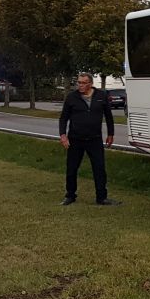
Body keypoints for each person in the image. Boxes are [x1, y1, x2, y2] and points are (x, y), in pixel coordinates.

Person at [59, 73, 117, 206]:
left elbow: (108, 116)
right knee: (72, 168)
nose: (80, 85)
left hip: (94, 139)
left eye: (84, 83)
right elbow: (63, 118)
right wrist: (63, 135)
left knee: (99, 168)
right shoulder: (72, 97)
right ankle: (70, 195)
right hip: (75, 139)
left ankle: (102, 197)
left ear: (90, 84)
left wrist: (110, 134)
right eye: (79, 82)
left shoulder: (101, 96)